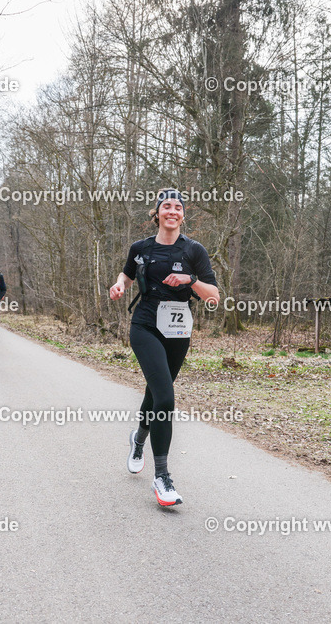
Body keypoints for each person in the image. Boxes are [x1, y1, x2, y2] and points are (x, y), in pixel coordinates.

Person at [109, 188, 219, 507]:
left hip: (178, 330)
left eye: (178, 207)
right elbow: (127, 276)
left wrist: (189, 282)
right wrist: (119, 285)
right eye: (166, 206)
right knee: (166, 397)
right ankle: (162, 477)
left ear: (183, 215)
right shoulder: (140, 248)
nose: (172, 211)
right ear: (156, 213)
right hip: (144, 325)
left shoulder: (194, 250)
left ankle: (139, 438)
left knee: (155, 393)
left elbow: (213, 296)